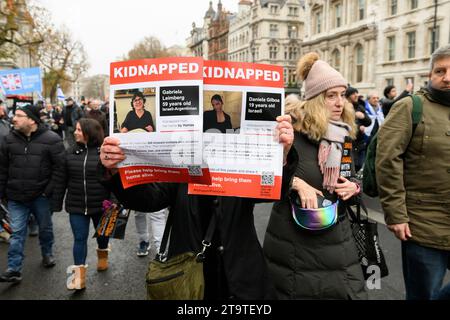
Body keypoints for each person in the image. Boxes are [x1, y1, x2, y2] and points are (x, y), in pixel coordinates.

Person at [98, 115, 297, 299]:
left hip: (241, 275)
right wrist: (116, 171)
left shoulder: (240, 159)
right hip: (188, 276)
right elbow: (149, 200)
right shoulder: (180, 158)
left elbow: (273, 191)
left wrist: (282, 155)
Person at [263, 52, 367, 299]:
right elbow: (267, 177)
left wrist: (354, 187)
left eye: (342, 95)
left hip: (338, 241)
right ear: (314, 100)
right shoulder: (289, 132)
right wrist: (297, 183)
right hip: (294, 243)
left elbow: (350, 176)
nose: (340, 102)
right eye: (331, 96)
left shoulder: (342, 134)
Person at [376, 44, 450, 300]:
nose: (447, 77)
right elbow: (387, 161)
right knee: (423, 295)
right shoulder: (410, 106)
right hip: (423, 226)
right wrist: (396, 214)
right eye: (440, 70)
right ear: (430, 75)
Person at [0, 105, 65, 283]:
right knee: (17, 233)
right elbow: (3, 168)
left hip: (40, 197)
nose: (14, 119)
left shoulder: (52, 139)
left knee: (45, 228)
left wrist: (48, 192)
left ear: (31, 120)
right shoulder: (8, 139)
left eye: (19, 116)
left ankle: (47, 253)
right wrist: (2, 192)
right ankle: (14, 268)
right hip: (15, 197)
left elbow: (59, 169)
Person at [61, 118, 111, 290]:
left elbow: (113, 180)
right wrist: (55, 201)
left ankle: (103, 254)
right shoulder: (69, 152)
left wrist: (115, 202)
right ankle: (78, 279)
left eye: (79, 130)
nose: (75, 132)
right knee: (79, 239)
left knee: (103, 236)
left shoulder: (104, 152)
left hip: (101, 205)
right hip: (76, 205)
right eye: (75, 129)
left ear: (90, 132)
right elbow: (62, 179)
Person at [345, 87, 372, 171]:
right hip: (348, 141)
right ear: (348, 96)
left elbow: (368, 122)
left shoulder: (360, 107)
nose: (356, 95)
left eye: (357, 93)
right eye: (353, 93)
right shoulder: (343, 107)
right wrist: (358, 125)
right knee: (347, 165)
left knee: (359, 164)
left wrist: (363, 117)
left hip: (359, 142)